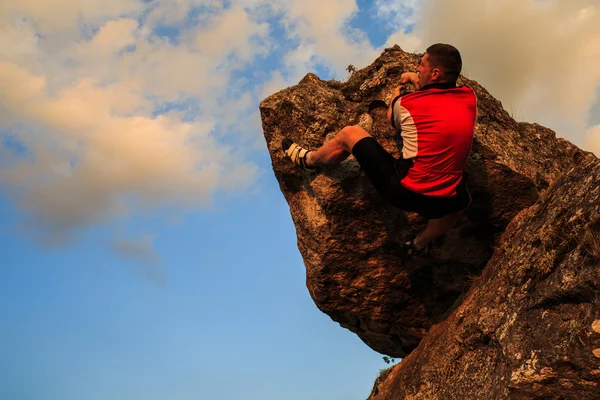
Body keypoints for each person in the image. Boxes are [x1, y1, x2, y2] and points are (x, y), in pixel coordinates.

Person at [282, 43, 477, 258]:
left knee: (350, 134)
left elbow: (392, 118)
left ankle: (308, 159)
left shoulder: (407, 103)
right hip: (445, 203)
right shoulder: (469, 98)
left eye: (421, 65)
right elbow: (436, 96)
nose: (418, 69)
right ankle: (419, 243)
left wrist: (395, 94)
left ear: (435, 73)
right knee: (463, 200)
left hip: (405, 192)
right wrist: (416, 78)